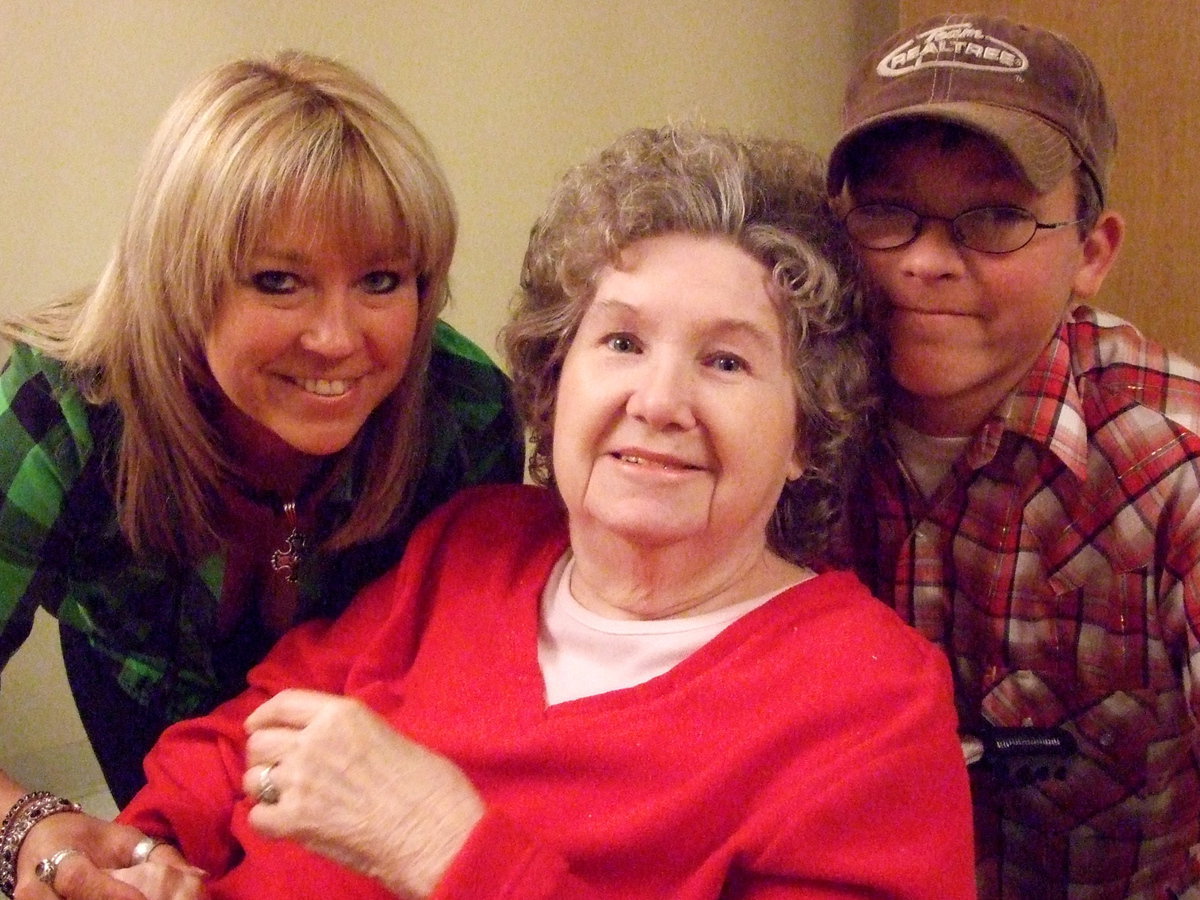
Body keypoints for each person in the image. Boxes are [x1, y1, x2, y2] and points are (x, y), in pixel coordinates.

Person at [96, 123, 978, 899]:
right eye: (623, 341)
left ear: (805, 432)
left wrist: (442, 844)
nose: (658, 400)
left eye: (726, 362)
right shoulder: (474, 543)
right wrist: (145, 850)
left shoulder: (871, 705)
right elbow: (247, 732)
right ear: (557, 386)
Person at [0, 51, 523, 899]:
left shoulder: (464, 416)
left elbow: (461, 675)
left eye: (381, 280)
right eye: (278, 281)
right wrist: (33, 828)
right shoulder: (58, 412)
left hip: (360, 727)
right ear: (179, 279)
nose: (336, 338)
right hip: (139, 691)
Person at [827, 12, 1200, 899]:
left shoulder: (1176, 465)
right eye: (885, 211)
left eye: (995, 217)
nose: (925, 261)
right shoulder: (772, 424)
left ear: (1091, 253)